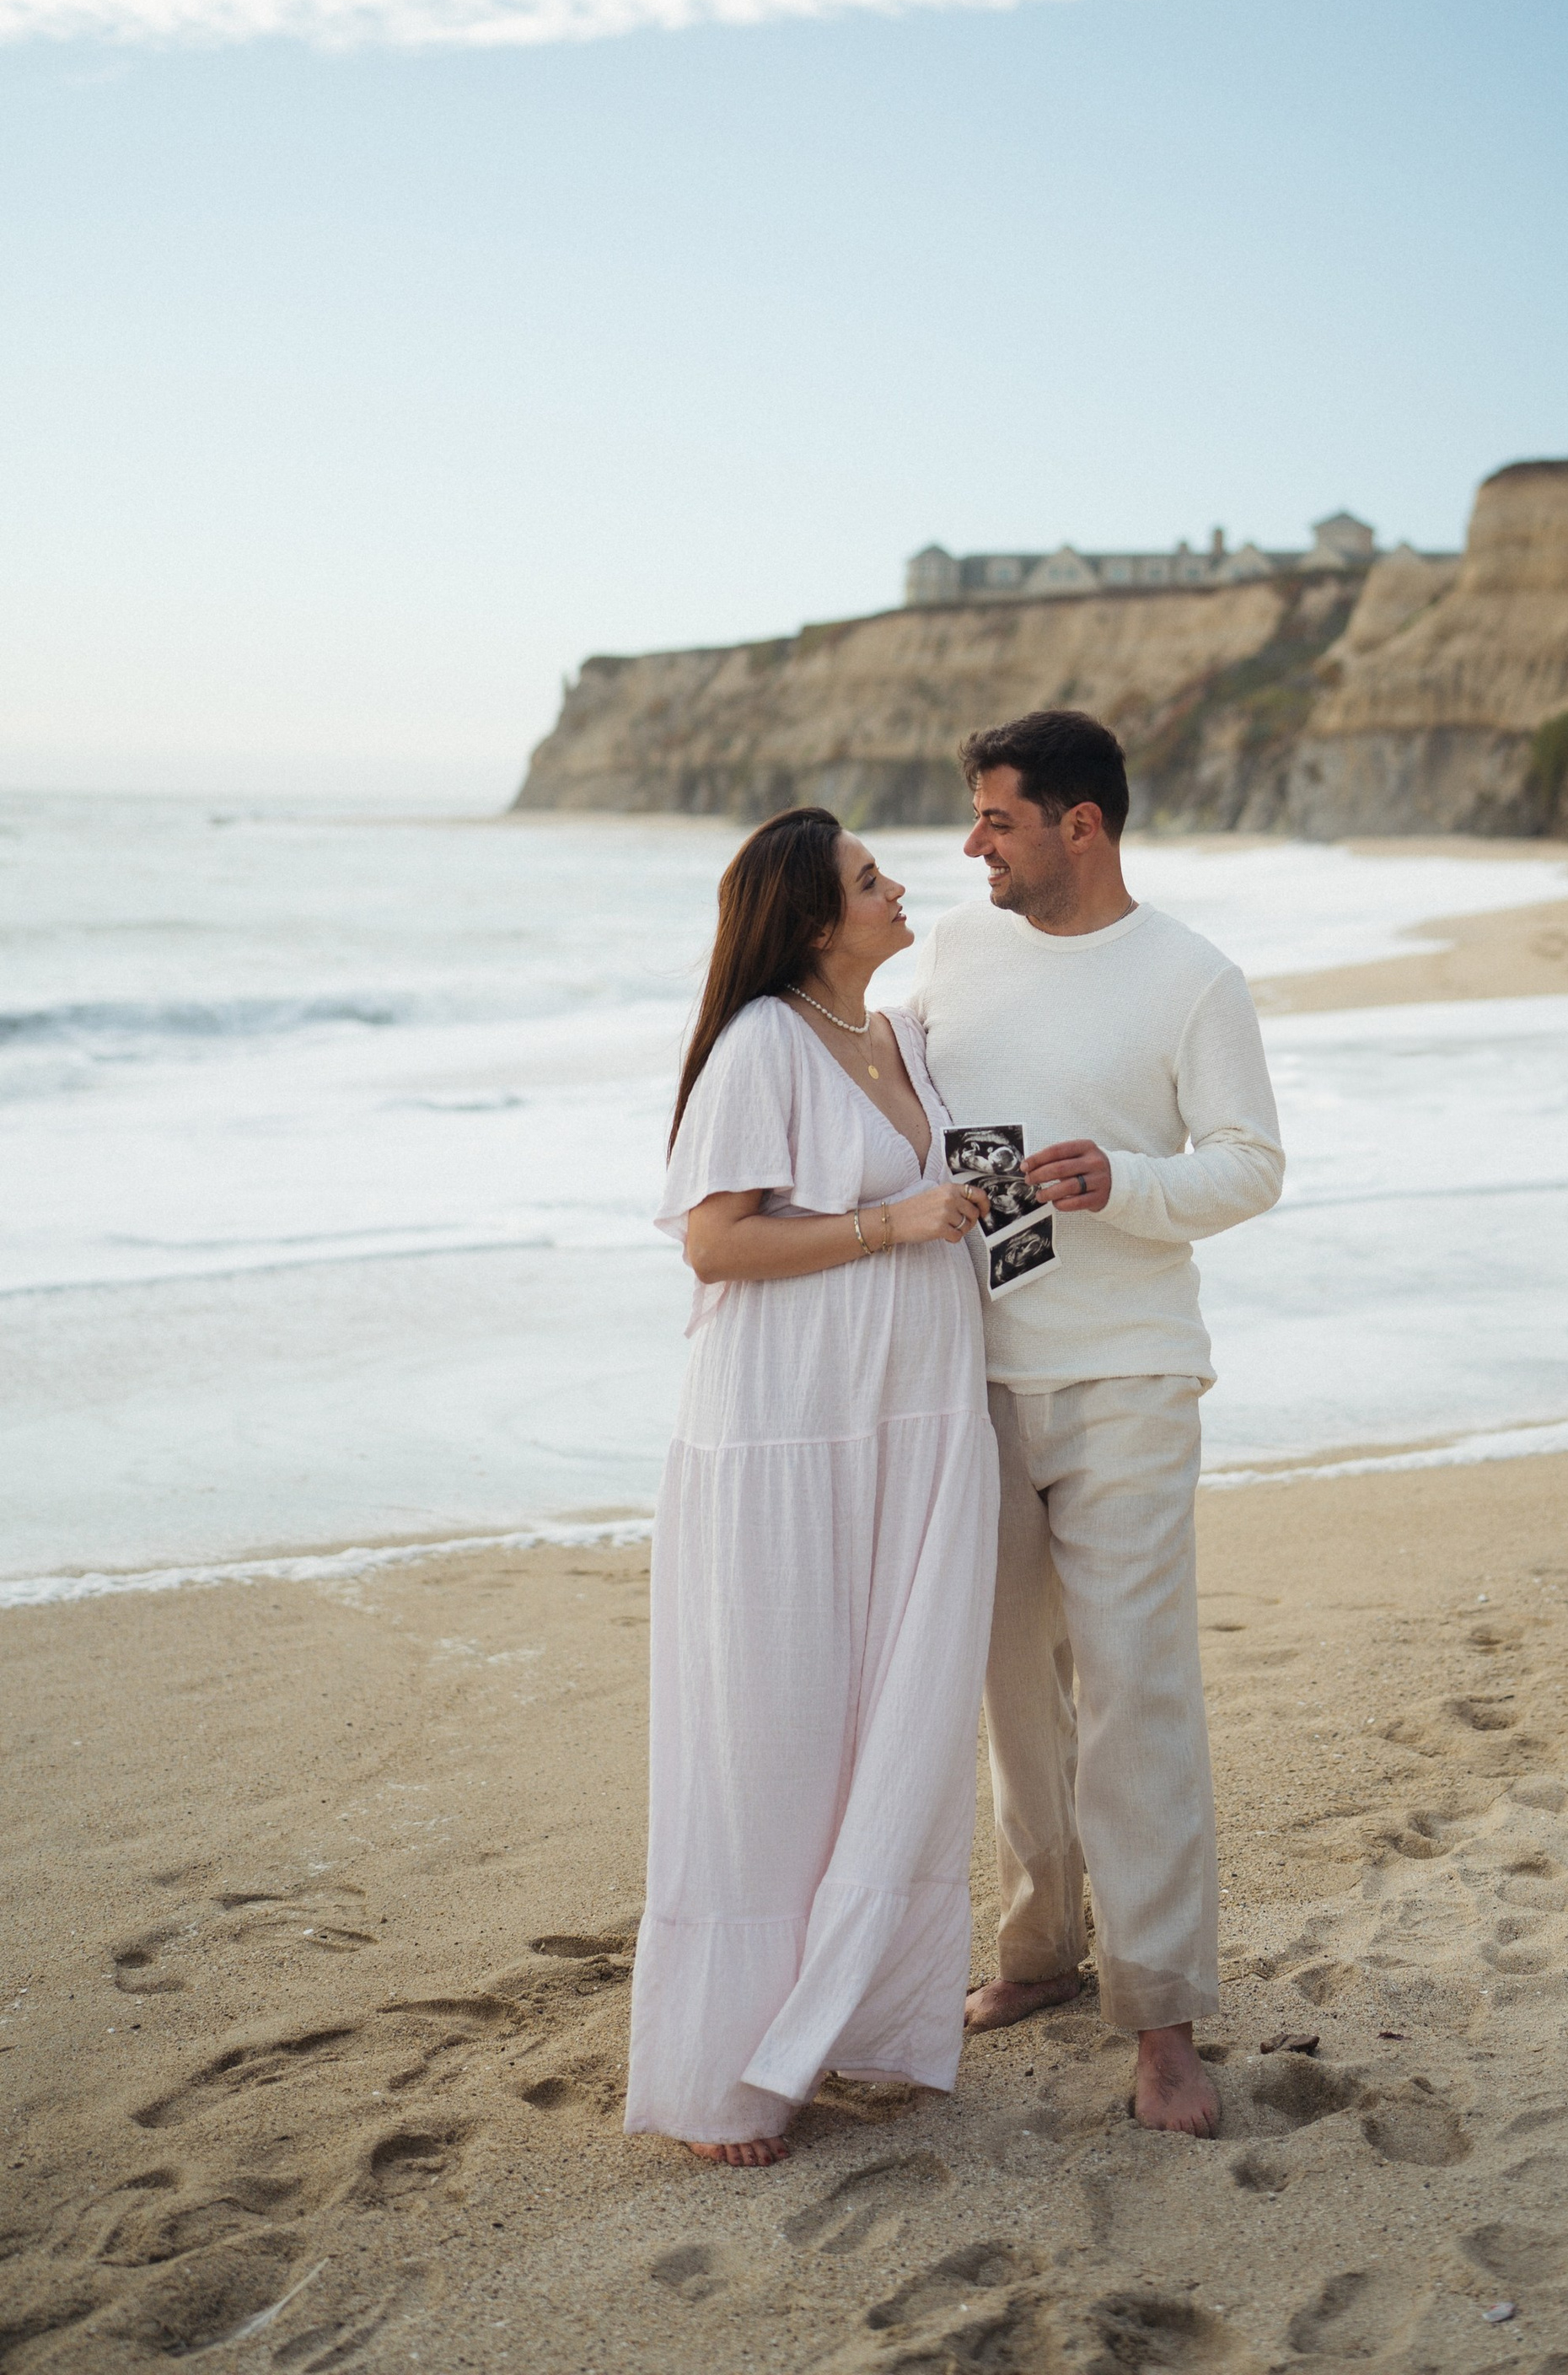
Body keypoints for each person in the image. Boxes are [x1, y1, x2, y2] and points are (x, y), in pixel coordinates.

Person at [905, 709, 1285, 2136]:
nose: (973, 844)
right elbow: (881, 1094)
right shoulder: (948, 949)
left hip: (1130, 1373)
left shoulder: (1193, 979)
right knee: (1015, 1685)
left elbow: (1251, 1168)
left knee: (1135, 1689)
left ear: (1084, 825)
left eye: (999, 818)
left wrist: (1124, 1181)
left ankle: (1163, 2021)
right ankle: (1038, 1954)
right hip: (966, 1370)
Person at [623, 807, 996, 2165]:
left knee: (898, 1724)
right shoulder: (761, 1043)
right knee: (773, 1740)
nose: (899, 887)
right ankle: (728, 2069)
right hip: (787, 1434)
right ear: (812, 922)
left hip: (919, 1424)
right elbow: (717, 1245)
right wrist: (892, 1222)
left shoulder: (896, 1037)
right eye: (868, 878)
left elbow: (937, 1199)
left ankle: (842, 2016)